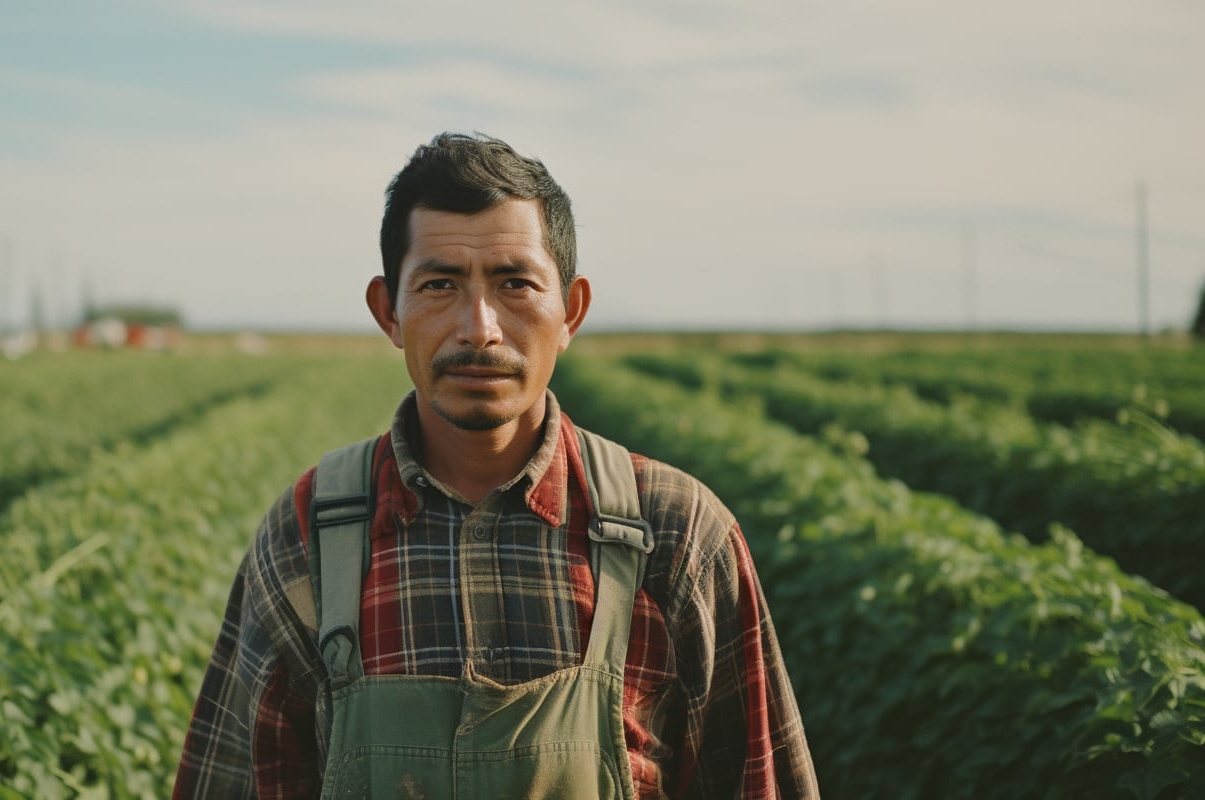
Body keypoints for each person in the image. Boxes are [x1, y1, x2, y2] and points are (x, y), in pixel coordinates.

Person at [174, 132, 817, 799]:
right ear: (387, 310)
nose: (478, 327)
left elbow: (756, 783)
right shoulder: (308, 535)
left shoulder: (678, 534)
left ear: (570, 311)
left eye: (515, 283)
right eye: (439, 285)